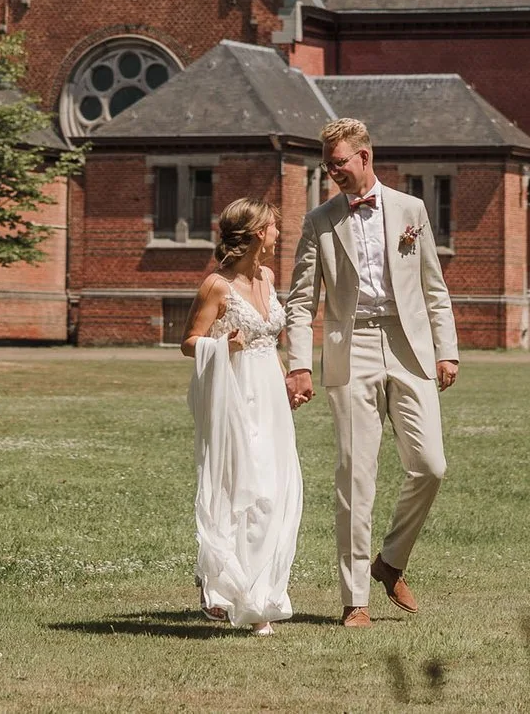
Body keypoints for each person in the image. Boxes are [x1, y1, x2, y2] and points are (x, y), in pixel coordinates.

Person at [282, 117, 457, 628]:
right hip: (349, 344)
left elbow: (433, 286)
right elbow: (299, 302)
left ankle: (391, 561)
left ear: (365, 157)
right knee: (356, 475)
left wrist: (447, 351)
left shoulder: (411, 210)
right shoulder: (319, 220)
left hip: (410, 346)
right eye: (327, 165)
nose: (332, 172)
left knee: (431, 465)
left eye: (339, 163)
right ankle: (354, 598)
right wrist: (297, 364)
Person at [181, 197, 302, 635]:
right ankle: (229, 589)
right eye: (272, 227)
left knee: (275, 490)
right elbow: (190, 341)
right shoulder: (216, 286)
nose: (277, 234)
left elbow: (271, 340)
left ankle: (260, 594)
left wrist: (288, 379)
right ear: (255, 234)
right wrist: (222, 347)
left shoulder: (269, 277)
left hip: (269, 394)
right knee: (243, 490)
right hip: (235, 395)